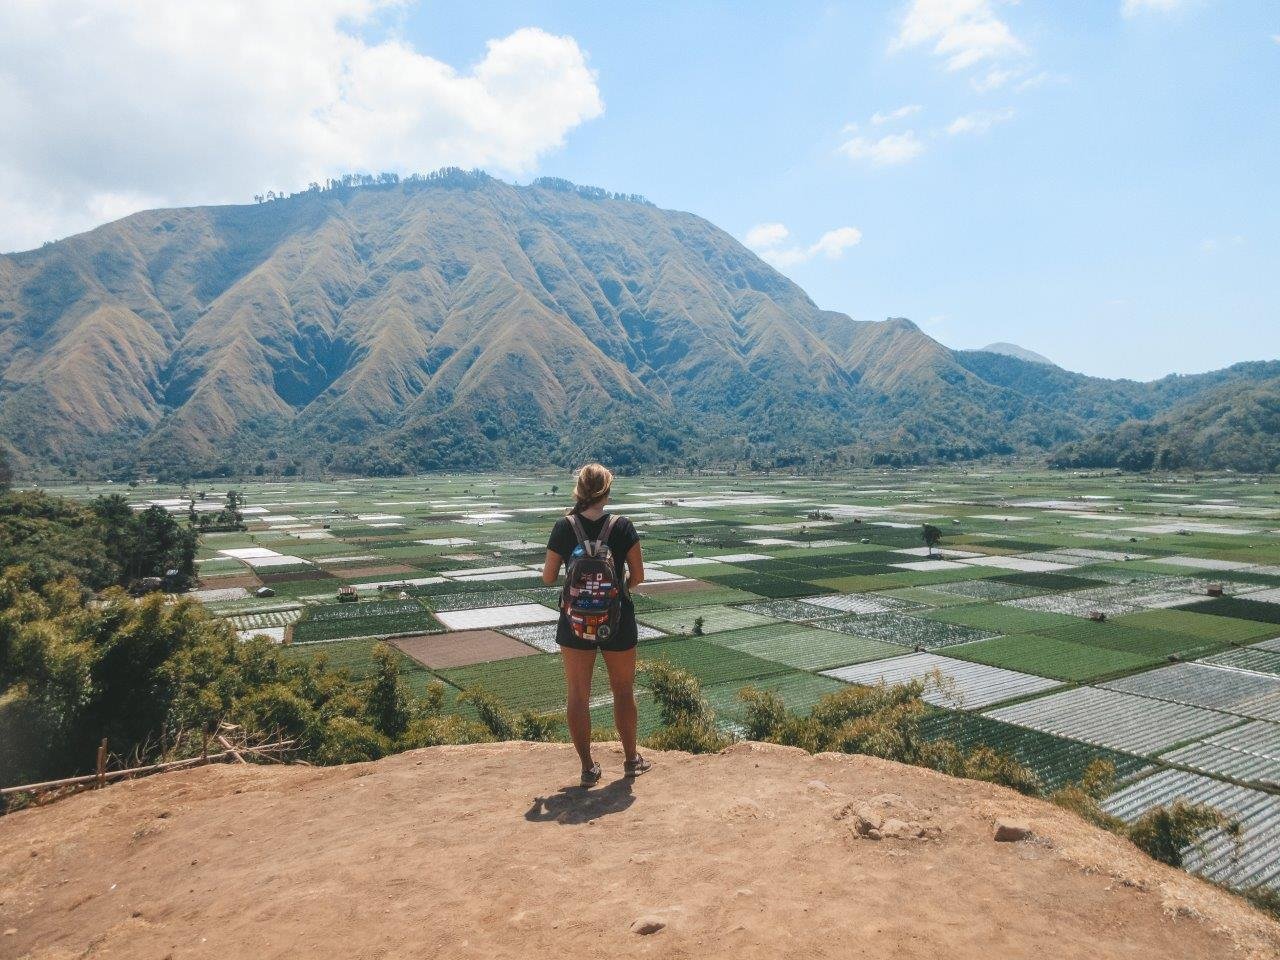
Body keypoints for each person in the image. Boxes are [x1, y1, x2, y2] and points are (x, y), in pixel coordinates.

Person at [542, 463, 652, 786]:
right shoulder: (622, 527)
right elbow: (639, 577)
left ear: (579, 490)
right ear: (606, 491)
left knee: (578, 695)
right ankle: (631, 760)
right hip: (618, 622)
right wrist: (614, 592)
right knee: (623, 690)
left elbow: (549, 578)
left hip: (574, 623)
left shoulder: (564, 527)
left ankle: (588, 768)